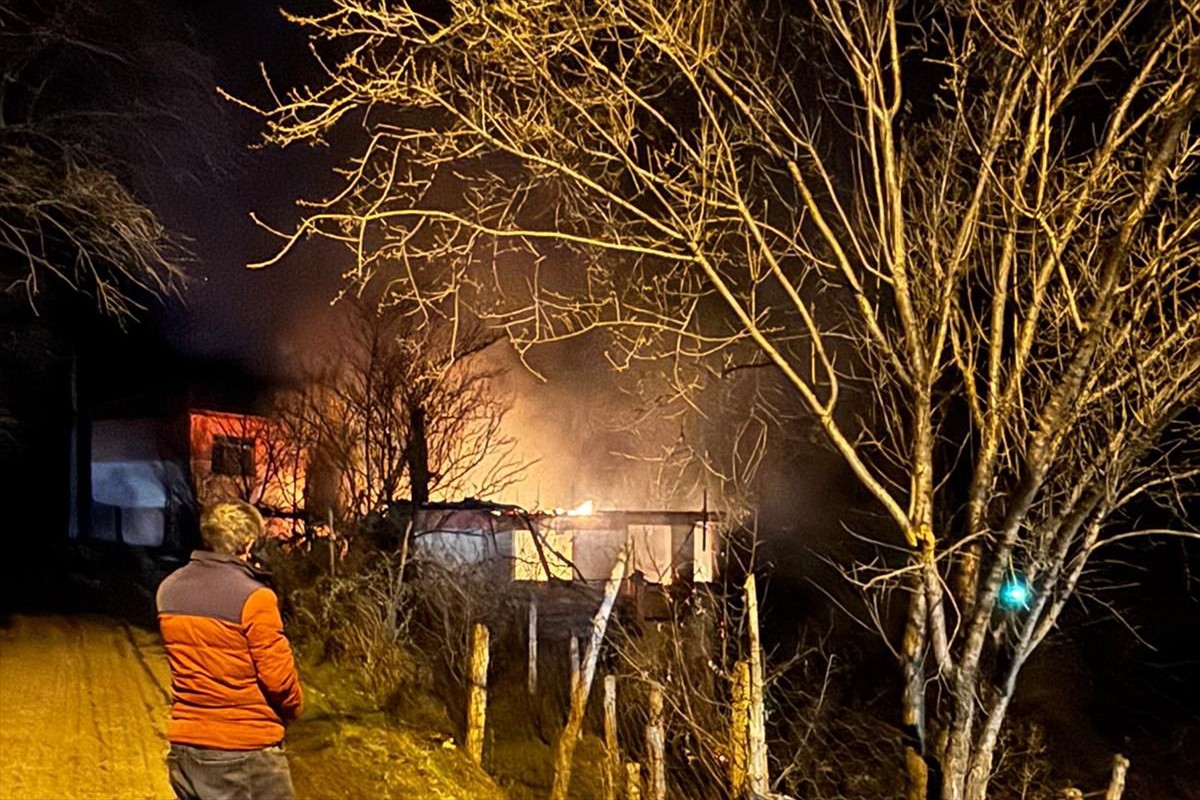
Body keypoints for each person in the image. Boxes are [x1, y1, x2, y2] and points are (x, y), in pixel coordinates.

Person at [156, 499, 304, 800]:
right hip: (245, 751)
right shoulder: (255, 598)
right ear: (248, 543)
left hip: (187, 748)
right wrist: (294, 708)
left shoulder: (169, 589)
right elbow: (278, 679)